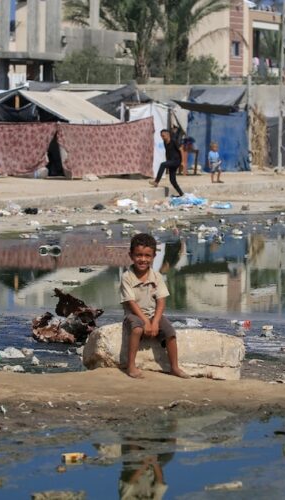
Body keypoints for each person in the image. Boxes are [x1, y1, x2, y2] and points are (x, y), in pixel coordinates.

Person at [120, 233, 190, 379]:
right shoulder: (127, 277)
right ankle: (131, 365)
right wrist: (146, 321)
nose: (143, 259)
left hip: (153, 314)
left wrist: (156, 321)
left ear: (153, 257)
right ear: (131, 255)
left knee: (170, 332)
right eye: (138, 255)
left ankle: (174, 367)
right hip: (134, 314)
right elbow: (131, 303)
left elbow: (161, 301)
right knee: (137, 329)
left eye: (147, 256)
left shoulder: (156, 276)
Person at [150, 129, 185, 197]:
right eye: (161, 136)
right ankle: (181, 194)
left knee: (162, 164)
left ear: (168, 135)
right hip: (171, 161)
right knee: (172, 180)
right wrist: (167, 161)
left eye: (163, 136)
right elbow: (167, 152)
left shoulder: (174, 141)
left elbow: (181, 150)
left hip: (176, 161)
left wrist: (182, 162)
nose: (162, 137)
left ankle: (156, 182)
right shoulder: (165, 142)